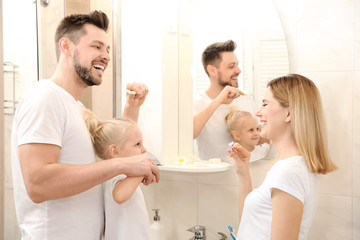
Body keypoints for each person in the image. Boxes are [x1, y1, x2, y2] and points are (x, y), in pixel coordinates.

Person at [11, 11, 159, 240]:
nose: (106, 56)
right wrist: (123, 165)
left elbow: (112, 149)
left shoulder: (77, 108)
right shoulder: (45, 97)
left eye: (107, 50)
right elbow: (38, 184)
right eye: (97, 47)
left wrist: (132, 108)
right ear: (66, 46)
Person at [228, 74, 338, 239]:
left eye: (265, 104)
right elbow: (249, 224)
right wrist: (243, 173)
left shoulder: (289, 172)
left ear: (289, 113)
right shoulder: (291, 167)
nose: (258, 112)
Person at [193, 40, 268, 161]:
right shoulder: (198, 103)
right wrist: (217, 102)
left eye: (237, 65)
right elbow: (188, 135)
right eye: (231, 66)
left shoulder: (245, 99)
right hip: (216, 179)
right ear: (212, 70)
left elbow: (262, 136)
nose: (238, 70)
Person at [83, 109, 151, 240]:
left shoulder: (112, 174)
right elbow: (119, 196)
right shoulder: (116, 175)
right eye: (138, 144)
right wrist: (141, 172)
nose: (144, 149)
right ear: (115, 151)